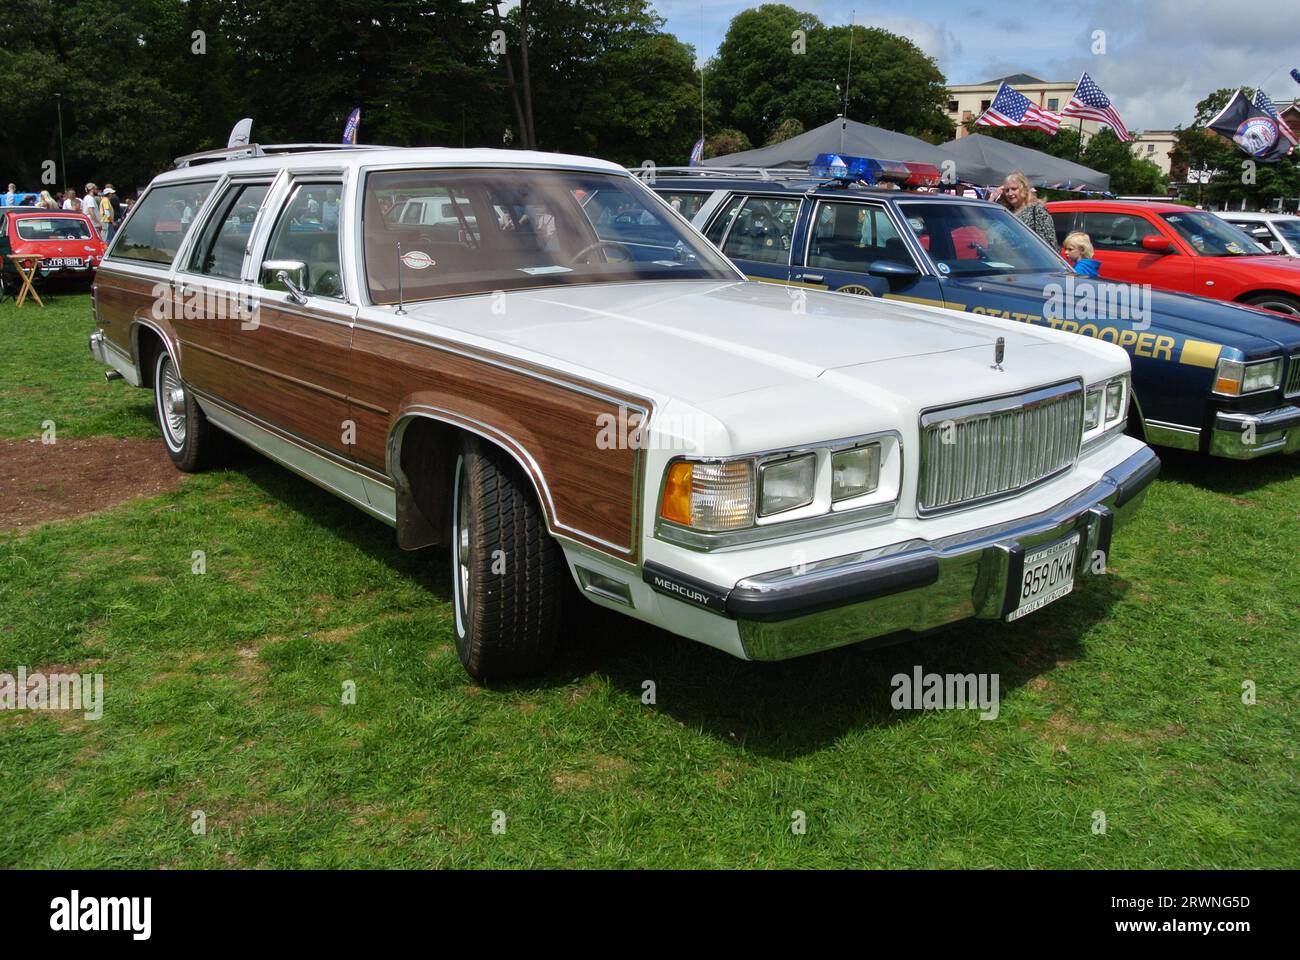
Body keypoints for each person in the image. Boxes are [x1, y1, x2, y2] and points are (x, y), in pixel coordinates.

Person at [989, 170, 1057, 248]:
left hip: (1029, 258)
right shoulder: (1006, 212)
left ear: (1023, 189)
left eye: (1014, 189)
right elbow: (986, 225)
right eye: (1007, 190)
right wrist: (993, 198)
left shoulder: (1036, 210)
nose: (1010, 193)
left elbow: (1049, 243)